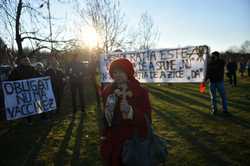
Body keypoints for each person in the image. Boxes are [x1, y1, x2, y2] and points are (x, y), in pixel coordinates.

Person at [100, 58, 152, 166]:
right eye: (114, 72)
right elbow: (105, 116)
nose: (117, 75)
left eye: (121, 72)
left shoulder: (140, 92)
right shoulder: (107, 91)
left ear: (128, 72)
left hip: (132, 139)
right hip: (113, 140)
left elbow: (147, 119)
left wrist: (131, 112)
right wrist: (104, 133)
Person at [8, 56, 41, 124]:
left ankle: (40, 115)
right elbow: (11, 79)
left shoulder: (33, 68)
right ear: (21, 61)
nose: (27, 61)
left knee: (37, 101)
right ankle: (29, 119)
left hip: (33, 89)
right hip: (23, 91)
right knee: (27, 104)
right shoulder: (16, 70)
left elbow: (38, 76)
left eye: (28, 60)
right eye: (25, 60)